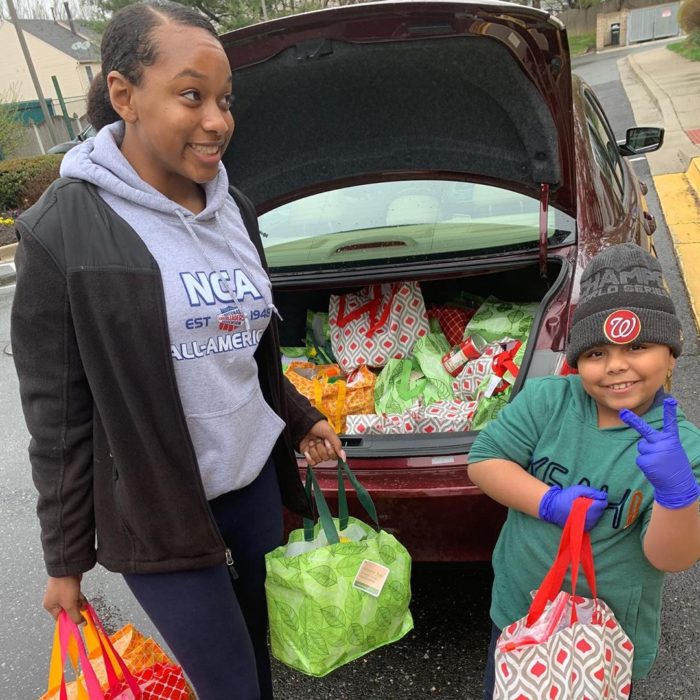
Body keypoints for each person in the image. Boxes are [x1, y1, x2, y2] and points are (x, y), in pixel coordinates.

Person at [10, 3, 345, 698]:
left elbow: (240, 344)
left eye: (225, 100)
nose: (216, 120)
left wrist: (300, 413)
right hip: (155, 507)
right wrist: (64, 563)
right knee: (229, 685)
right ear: (125, 95)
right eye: (190, 95)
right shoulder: (63, 230)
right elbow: (59, 415)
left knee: (261, 659)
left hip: (251, 480)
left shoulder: (234, 209)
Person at [467, 243, 700, 698]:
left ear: (672, 355)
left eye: (638, 346)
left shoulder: (682, 449)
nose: (616, 365)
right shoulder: (547, 401)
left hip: (607, 636)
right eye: (596, 352)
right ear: (576, 361)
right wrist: (547, 501)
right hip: (522, 611)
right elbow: (484, 460)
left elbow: (672, 558)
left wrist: (677, 495)